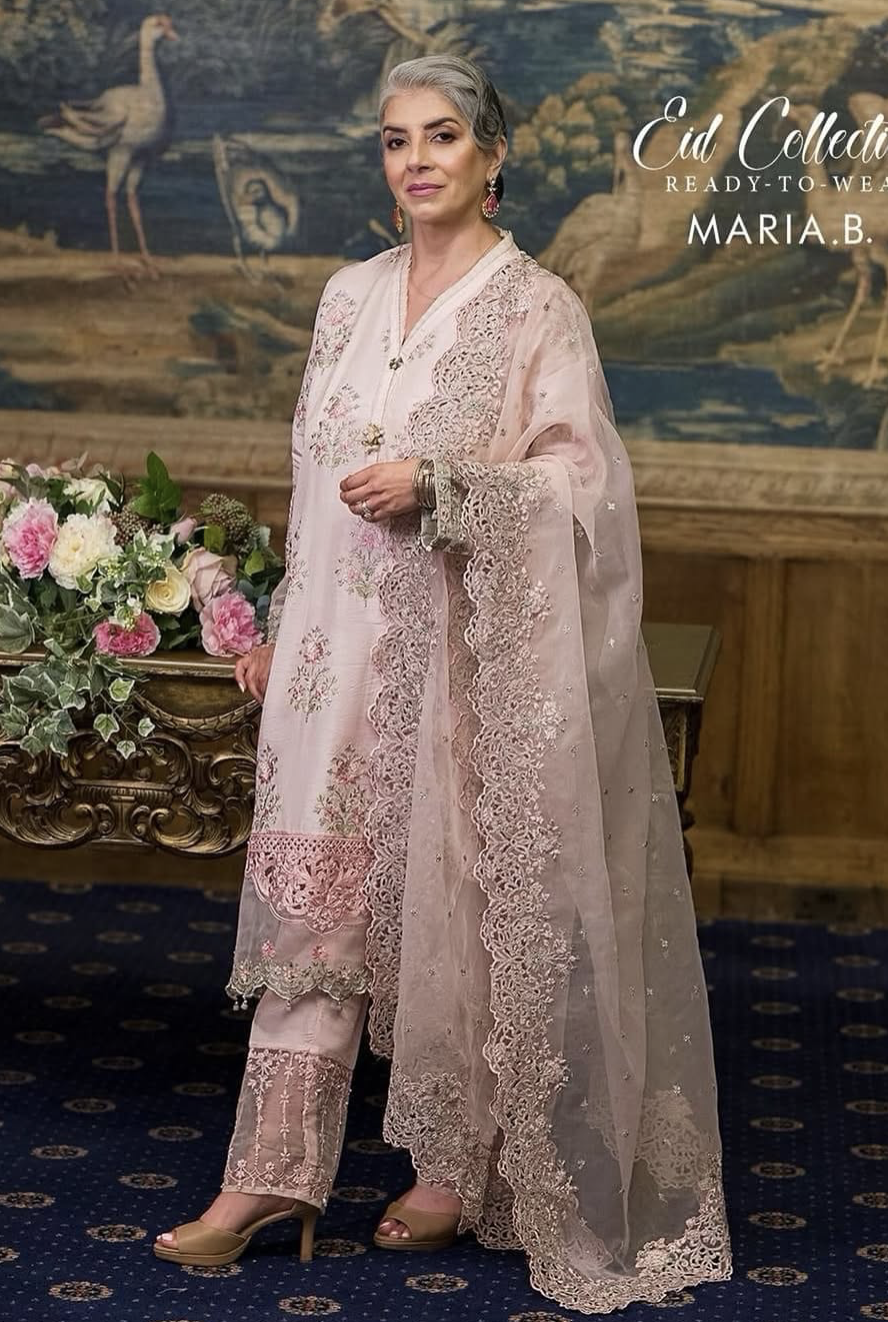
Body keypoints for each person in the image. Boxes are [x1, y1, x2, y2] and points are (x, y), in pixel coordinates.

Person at [153, 53, 732, 1311]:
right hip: (330, 663)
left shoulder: (536, 308)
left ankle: (457, 1163)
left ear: (491, 155)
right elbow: (310, 471)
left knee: (454, 908)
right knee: (313, 911)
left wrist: (447, 487)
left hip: (462, 664)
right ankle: (269, 1176)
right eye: (395, 139)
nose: (416, 159)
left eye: (442, 136)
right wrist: (284, 619)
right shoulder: (346, 296)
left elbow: (585, 491)